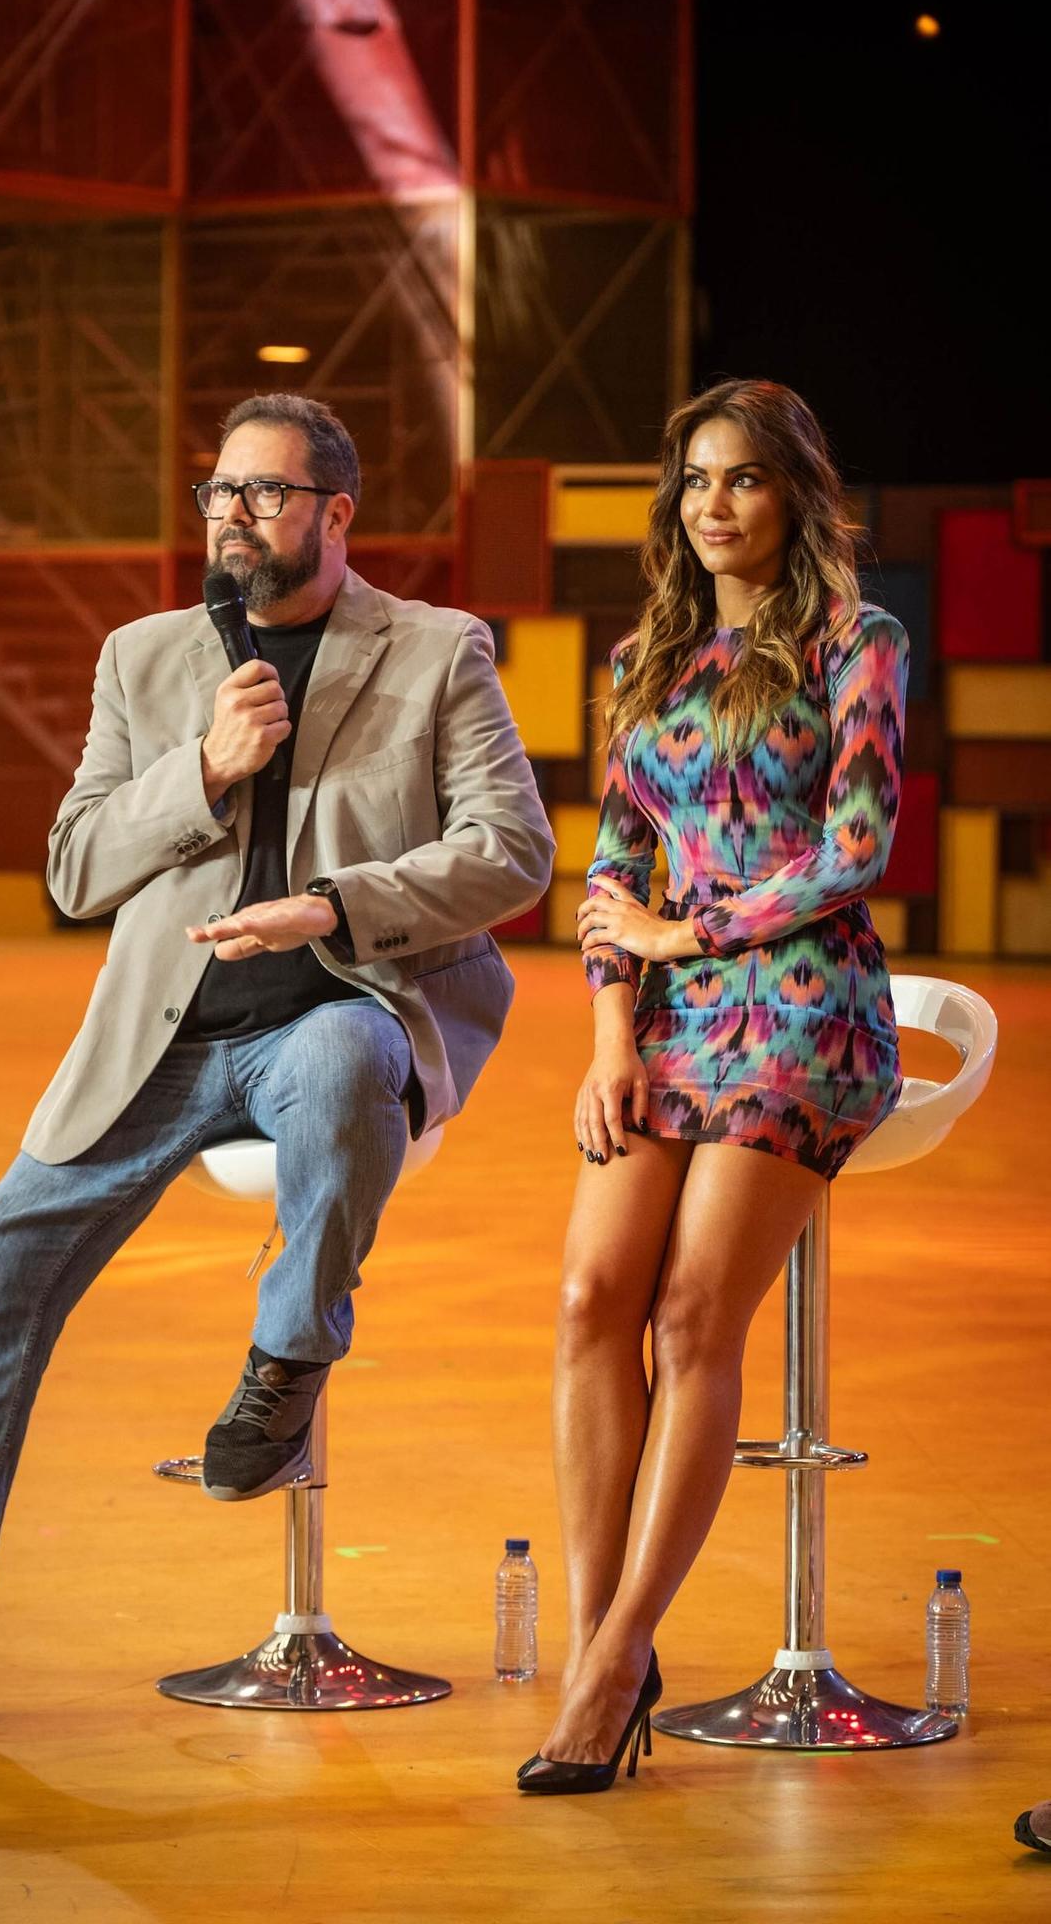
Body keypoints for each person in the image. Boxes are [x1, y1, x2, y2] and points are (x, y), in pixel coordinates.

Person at [0, 392, 553, 1735]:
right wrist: (200, 767)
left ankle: (285, 1358)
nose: (233, 516)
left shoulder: (434, 653)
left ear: (334, 511)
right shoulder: (144, 660)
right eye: (218, 493)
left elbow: (512, 855)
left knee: (335, 1062)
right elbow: (75, 872)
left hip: (339, 998)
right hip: (161, 1039)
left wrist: (331, 905)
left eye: (262, 492)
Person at [517, 379, 909, 1795]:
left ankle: (619, 1655)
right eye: (692, 480)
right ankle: (585, 1642)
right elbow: (610, 866)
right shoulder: (644, 659)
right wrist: (610, 1034)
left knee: (689, 1314)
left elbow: (854, 849)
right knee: (585, 1302)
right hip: (666, 1028)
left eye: (741, 478)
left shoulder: (858, 644)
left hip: (806, 1008)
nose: (712, 503)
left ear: (795, 493)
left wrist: (699, 931)